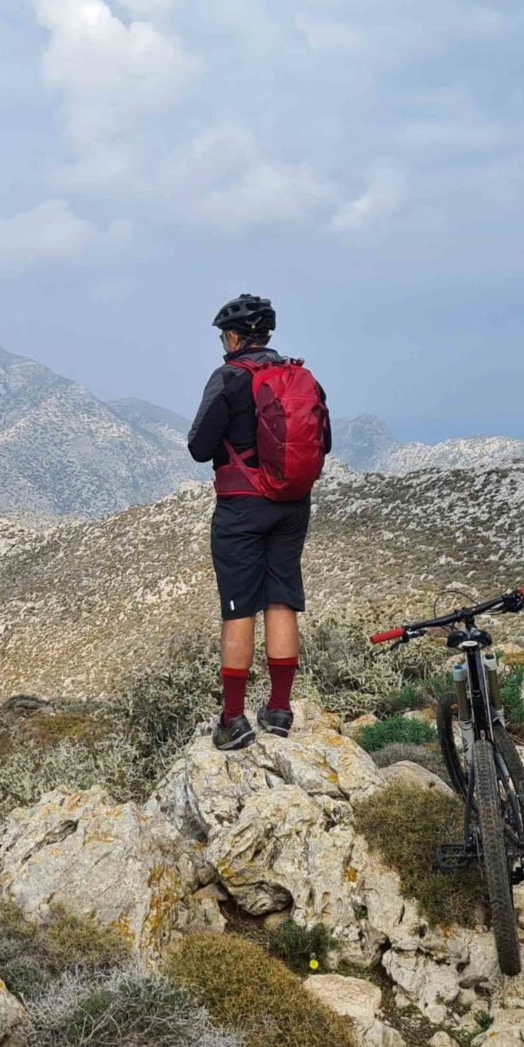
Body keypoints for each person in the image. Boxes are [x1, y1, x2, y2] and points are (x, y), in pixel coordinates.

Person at [187, 293, 330, 750]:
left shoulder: (228, 377)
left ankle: (233, 718)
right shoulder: (298, 375)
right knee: (282, 599)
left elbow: (199, 446)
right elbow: (322, 441)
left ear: (232, 337)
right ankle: (280, 710)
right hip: (292, 504)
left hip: (241, 508)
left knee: (239, 609)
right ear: (265, 335)